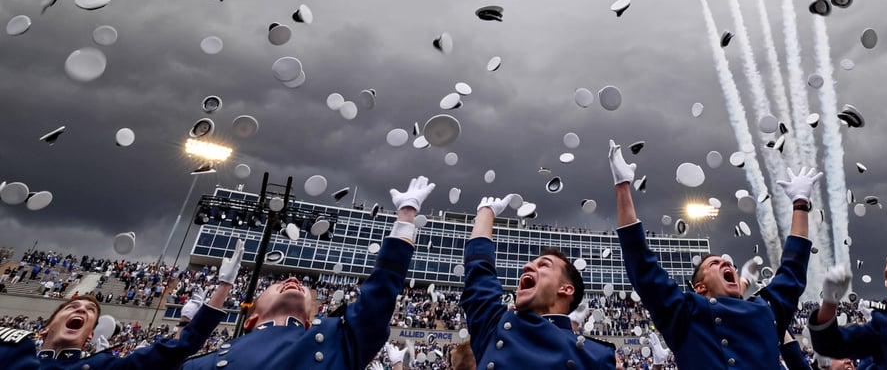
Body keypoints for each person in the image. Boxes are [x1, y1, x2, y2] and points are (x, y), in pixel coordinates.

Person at [183, 176, 433, 369]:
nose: (293, 279)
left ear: (308, 321)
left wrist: (406, 215)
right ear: (250, 318)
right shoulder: (202, 364)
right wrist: (218, 294)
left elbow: (380, 295)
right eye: (277, 283)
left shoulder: (337, 341)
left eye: (301, 285)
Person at [610, 140, 818, 369]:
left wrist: (800, 204)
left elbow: (793, 269)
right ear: (700, 287)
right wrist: (623, 187)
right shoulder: (686, 313)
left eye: (728, 263)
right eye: (715, 264)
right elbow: (642, 265)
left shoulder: (766, 310)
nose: (726, 263)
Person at [0, 242, 239, 369]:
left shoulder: (102, 366)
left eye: (90, 311)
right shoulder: (11, 353)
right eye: (72, 307)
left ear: (91, 334)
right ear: (46, 326)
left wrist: (223, 287)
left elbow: (177, 349)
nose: (82, 309)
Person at [461, 193, 616, 369]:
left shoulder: (596, 356)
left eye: (544, 265)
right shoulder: (494, 328)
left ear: (566, 289)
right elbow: (479, 275)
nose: (527, 266)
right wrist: (486, 213)